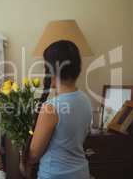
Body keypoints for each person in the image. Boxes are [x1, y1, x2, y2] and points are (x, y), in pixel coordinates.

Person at [22, 40, 92, 179]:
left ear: (51, 71)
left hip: (55, 175)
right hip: (82, 173)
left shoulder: (51, 108)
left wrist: (23, 159)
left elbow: (34, 155)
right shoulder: (85, 99)